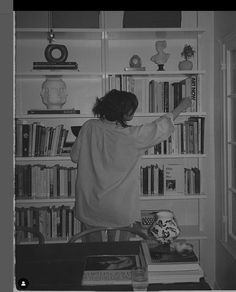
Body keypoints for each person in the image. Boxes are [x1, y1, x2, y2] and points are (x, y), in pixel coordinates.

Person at [70, 89, 191, 241]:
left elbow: (74, 157)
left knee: (94, 257)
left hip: (90, 206)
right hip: (119, 209)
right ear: (124, 112)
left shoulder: (88, 127)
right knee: (120, 257)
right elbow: (159, 127)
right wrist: (181, 107)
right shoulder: (131, 136)